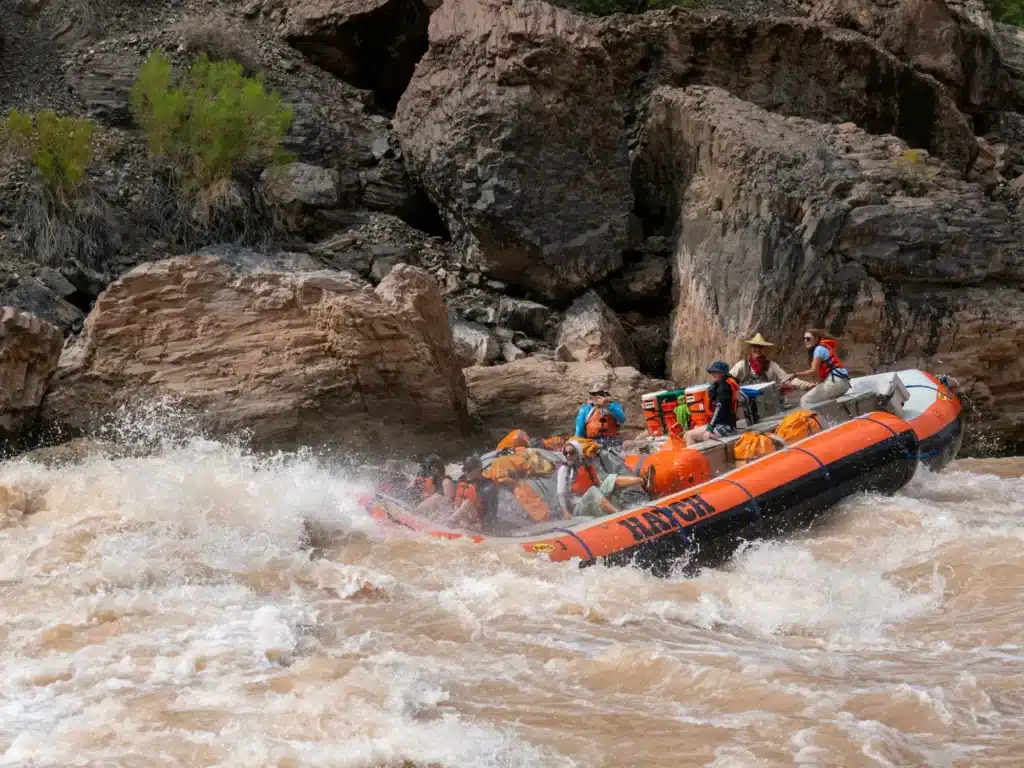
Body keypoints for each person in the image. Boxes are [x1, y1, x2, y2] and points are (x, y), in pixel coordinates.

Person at [556, 442, 652, 519]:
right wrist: (566, 512)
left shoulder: (586, 465)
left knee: (610, 479)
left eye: (571, 452)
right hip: (578, 507)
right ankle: (618, 514)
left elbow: (597, 482)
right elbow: (561, 494)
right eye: (566, 453)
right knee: (593, 490)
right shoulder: (565, 469)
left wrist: (609, 487)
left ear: (578, 452)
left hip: (592, 498)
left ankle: (643, 481)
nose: (568, 455)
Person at [684, 361, 741, 445]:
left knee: (697, 436)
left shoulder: (724, 389)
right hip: (720, 424)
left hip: (727, 428)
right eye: (712, 372)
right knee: (688, 434)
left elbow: (719, 409)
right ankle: (695, 456)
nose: (712, 374)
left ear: (723, 374)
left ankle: (694, 457)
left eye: (716, 372)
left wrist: (710, 428)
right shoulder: (719, 385)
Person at [793, 328, 851, 406]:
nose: (805, 341)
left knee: (805, 400)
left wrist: (794, 375)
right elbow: (824, 372)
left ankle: (814, 418)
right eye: (804, 339)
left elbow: (813, 371)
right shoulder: (824, 347)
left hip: (835, 383)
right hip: (844, 384)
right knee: (824, 399)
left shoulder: (819, 349)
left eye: (808, 338)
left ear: (817, 338)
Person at [730, 333, 809, 390]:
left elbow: (786, 378)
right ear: (751, 348)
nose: (757, 349)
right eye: (755, 347)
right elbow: (728, 379)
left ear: (764, 349)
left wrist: (807, 385)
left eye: (760, 347)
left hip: (766, 400)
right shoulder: (742, 365)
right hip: (746, 402)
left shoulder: (771, 365)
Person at [452, 455, 499, 531]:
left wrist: (486, 526)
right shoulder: (462, 480)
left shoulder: (488, 485)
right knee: (461, 500)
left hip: (481, 523)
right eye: (464, 469)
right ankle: (457, 523)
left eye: (469, 469)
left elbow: (491, 512)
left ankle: (451, 521)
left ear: (478, 469)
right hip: (465, 520)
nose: (466, 472)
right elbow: (457, 501)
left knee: (469, 500)